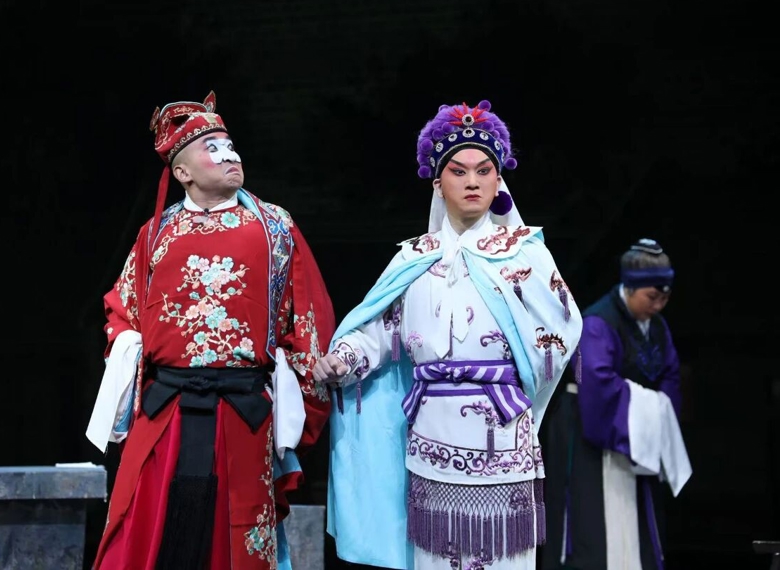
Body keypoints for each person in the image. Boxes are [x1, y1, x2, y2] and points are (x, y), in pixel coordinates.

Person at [314, 99, 583, 569]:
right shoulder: (414, 258)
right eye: (459, 172)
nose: (472, 181)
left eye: (484, 170)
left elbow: (563, 327)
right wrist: (344, 358)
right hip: (431, 437)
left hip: (502, 430)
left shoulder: (524, 255)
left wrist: (523, 371)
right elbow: (379, 331)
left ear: (498, 181)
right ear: (438, 182)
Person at [85, 91, 335, 570]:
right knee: (145, 530)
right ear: (182, 172)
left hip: (243, 413)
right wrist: (132, 349)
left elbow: (307, 317)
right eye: (213, 148)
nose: (230, 156)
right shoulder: (155, 234)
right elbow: (123, 312)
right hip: (166, 410)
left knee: (236, 537)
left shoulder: (275, 227)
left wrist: (303, 388)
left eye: (231, 145)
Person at [540, 238, 692, 570]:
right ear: (630, 287)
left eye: (665, 298)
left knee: (638, 521)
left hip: (639, 435)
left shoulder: (657, 327)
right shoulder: (598, 323)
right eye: (652, 297)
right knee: (592, 521)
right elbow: (597, 381)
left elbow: (670, 374)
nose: (659, 305)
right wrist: (648, 406)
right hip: (591, 426)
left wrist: (658, 410)